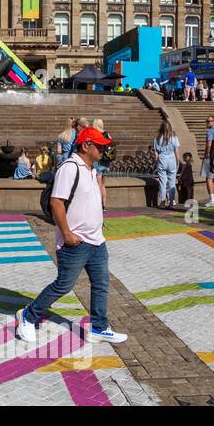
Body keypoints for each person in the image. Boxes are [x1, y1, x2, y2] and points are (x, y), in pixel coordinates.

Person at [14, 126, 128, 345]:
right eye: (100, 146)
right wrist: (66, 233)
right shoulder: (70, 167)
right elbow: (56, 202)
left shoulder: (91, 169)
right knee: (64, 285)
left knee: (101, 283)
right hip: (75, 241)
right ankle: (28, 316)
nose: (104, 150)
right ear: (86, 146)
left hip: (96, 241)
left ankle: (99, 328)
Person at [152, 119, 180, 210]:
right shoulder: (174, 137)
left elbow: (156, 153)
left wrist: (156, 163)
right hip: (172, 160)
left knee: (162, 183)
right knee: (172, 183)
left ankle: (163, 202)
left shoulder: (157, 137)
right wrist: (178, 162)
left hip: (162, 160)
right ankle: (171, 202)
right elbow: (177, 152)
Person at [91, 119, 113, 211]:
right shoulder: (107, 134)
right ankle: (104, 206)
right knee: (103, 185)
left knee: (98, 185)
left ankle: (99, 206)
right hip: (107, 162)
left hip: (99, 162)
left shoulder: (96, 134)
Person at [201, 115, 214, 208]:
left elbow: (209, 145)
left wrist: (206, 156)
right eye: (206, 121)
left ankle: (212, 200)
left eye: (209, 121)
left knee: (209, 179)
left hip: (211, 156)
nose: (207, 123)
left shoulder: (210, 131)